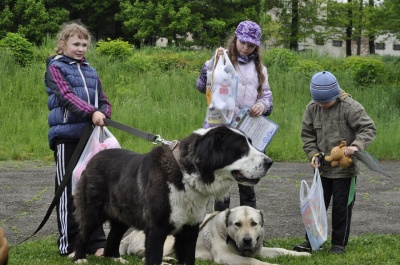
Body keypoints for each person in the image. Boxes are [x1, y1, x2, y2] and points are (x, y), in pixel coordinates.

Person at [45, 22, 112, 257]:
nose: (81, 48)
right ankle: (70, 243)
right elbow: (66, 95)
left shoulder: (91, 70)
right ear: (63, 44)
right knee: (68, 191)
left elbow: (103, 99)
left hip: (91, 138)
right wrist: (91, 112)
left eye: (84, 44)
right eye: (76, 44)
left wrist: (104, 113)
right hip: (67, 137)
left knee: (93, 190)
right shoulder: (55, 67)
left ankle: (95, 242)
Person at [294, 71, 376, 254]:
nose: (322, 105)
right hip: (321, 170)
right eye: (319, 102)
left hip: (345, 172)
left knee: (341, 207)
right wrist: (313, 154)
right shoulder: (312, 108)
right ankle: (312, 240)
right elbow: (307, 136)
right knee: (316, 206)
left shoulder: (350, 107)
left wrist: (356, 146)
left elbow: (368, 128)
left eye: (326, 102)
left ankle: (339, 244)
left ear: (335, 95)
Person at [196, 20, 273, 211]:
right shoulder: (221, 62)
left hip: (247, 132)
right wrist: (211, 64)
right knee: (222, 179)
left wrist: (261, 106)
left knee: (248, 178)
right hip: (221, 130)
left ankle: (250, 220)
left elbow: (267, 97)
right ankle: (220, 223)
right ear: (235, 40)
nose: (246, 48)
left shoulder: (260, 69)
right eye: (242, 43)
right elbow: (200, 86)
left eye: (251, 45)